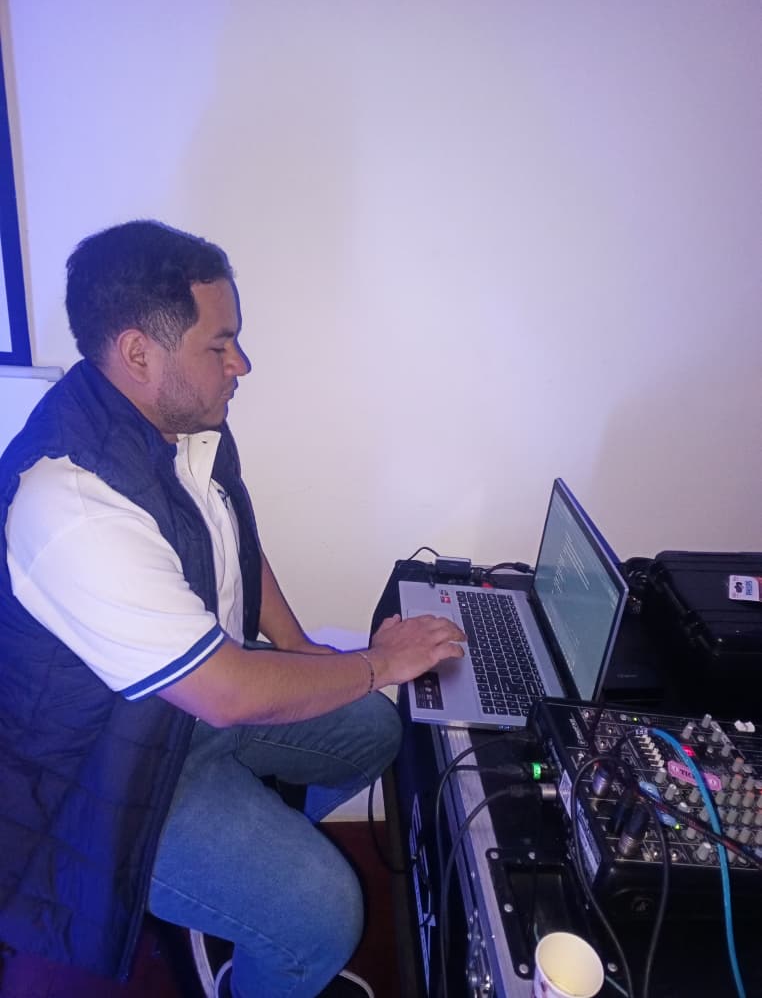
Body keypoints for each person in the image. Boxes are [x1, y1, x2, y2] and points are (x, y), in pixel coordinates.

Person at [0, 220, 465, 998]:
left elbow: (235, 541)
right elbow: (228, 692)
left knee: (374, 730)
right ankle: (267, 927)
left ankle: (240, 904)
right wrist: (380, 661)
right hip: (103, 778)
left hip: (182, 714)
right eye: (220, 345)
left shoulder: (179, 423)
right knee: (323, 913)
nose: (240, 364)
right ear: (138, 354)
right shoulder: (72, 503)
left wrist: (301, 644)